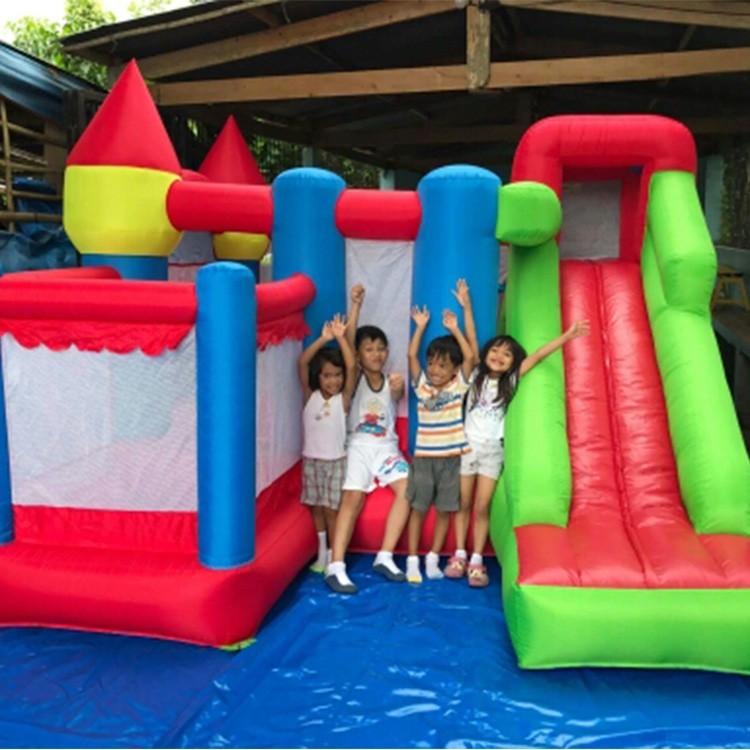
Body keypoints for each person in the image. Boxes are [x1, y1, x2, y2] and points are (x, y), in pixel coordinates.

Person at [445, 283, 590, 587]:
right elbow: (472, 339)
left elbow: (537, 355)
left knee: (482, 506)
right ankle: (458, 552)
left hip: (492, 450)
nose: (499, 355)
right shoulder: (474, 376)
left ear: (513, 362)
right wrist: (466, 306)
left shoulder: (511, 380)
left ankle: (476, 560)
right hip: (466, 447)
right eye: (496, 350)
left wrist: (567, 336)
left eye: (507, 354)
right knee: (463, 502)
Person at [325, 284, 410, 594]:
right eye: (369, 349)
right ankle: (336, 566)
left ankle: (384, 556)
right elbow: (347, 347)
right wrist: (355, 305)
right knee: (352, 497)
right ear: (359, 355)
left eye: (381, 348)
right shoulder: (354, 377)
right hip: (358, 446)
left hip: (386, 448)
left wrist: (398, 388)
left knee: (409, 489)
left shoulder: (392, 380)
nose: (376, 354)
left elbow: (397, 395)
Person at [404, 284, 476, 584]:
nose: (434, 369)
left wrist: (456, 327)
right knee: (418, 509)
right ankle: (412, 560)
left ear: (454, 370)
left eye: (442, 365)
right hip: (423, 459)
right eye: (432, 363)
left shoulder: (459, 386)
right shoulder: (422, 387)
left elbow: (471, 356)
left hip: (451, 459)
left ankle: (433, 557)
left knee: (445, 510)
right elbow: (411, 354)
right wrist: (420, 328)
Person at [298, 314, 357, 573]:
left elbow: (353, 367)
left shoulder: (342, 401)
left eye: (337, 375)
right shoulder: (309, 396)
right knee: (317, 507)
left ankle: (334, 554)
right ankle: (322, 552)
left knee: (333, 511)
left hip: (335, 462)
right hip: (311, 460)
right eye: (327, 376)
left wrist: (341, 338)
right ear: (317, 378)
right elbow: (302, 362)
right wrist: (323, 339)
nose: (334, 380)